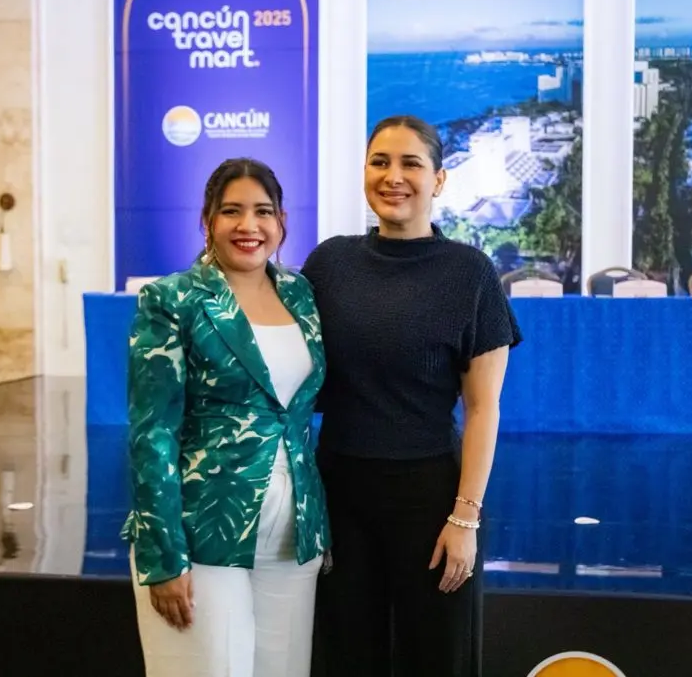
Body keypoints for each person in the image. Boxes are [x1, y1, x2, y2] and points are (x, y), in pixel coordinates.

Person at [303, 115, 522, 677]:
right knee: (346, 657)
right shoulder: (329, 264)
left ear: (440, 180)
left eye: (410, 164)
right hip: (339, 496)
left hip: (431, 500)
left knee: (436, 660)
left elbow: (482, 408)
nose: (393, 176)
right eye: (380, 162)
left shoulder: (469, 273)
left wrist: (464, 520)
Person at [123, 158, 329, 677]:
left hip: (294, 533)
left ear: (282, 220)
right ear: (207, 220)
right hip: (202, 530)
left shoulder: (300, 294)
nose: (249, 226)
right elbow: (153, 433)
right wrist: (163, 555)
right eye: (231, 211)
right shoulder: (173, 299)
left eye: (263, 212)